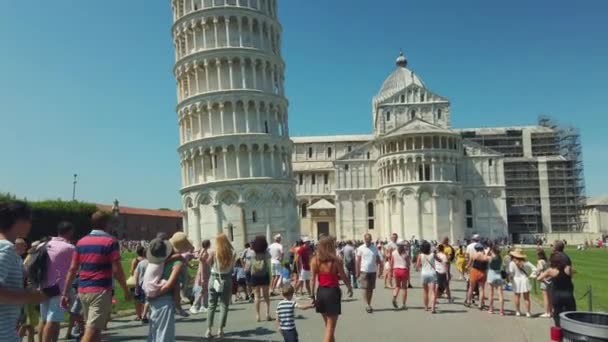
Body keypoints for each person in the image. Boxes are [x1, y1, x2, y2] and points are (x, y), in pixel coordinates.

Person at [62, 211, 131, 342]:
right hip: (100, 290)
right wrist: (126, 289)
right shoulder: (110, 242)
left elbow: (72, 269)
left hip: (83, 290)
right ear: (107, 224)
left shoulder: (81, 242)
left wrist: (65, 292)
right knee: (91, 331)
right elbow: (117, 271)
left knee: (96, 332)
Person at [0, 201, 50, 342]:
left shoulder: (8, 249)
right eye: (29, 220)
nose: (30, 224)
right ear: (18, 221)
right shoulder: (6, 248)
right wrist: (31, 297)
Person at [145, 233, 191, 342]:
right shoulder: (177, 263)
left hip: (154, 300)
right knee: (164, 336)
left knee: (154, 335)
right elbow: (170, 284)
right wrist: (155, 295)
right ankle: (178, 307)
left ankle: (178, 306)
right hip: (164, 299)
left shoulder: (159, 260)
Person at [39, 221, 76, 342]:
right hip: (58, 287)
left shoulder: (45, 244)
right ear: (69, 232)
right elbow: (76, 267)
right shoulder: (69, 248)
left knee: (45, 319)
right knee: (53, 321)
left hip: (42, 285)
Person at [311, 235, 353, 342]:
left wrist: (312, 294)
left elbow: (312, 280)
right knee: (330, 327)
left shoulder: (315, 260)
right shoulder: (336, 260)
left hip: (320, 292)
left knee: (328, 326)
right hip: (332, 292)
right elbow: (343, 276)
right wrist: (349, 287)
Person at [205, 234, 235, 338]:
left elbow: (208, 263)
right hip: (226, 279)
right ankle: (220, 329)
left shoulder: (214, 252)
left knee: (211, 305)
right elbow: (232, 267)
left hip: (214, 278)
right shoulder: (232, 253)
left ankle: (208, 329)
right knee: (224, 305)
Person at [537, 252, 575, 327]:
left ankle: (558, 328)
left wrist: (547, 279)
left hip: (557, 295)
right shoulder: (567, 268)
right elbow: (571, 275)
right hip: (568, 294)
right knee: (571, 313)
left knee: (557, 314)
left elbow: (539, 278)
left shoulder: (550, 270)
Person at [356, 233, 383, 313]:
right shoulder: (360, 248)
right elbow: (358, 261)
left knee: (370, 289)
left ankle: (369, 303)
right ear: (364, 239)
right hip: (363, 271)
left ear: (371, 239)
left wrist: (380, 271)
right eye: (367, 239)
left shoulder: (375, 248)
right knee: (365, 288)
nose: (368, 240)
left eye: (369, 239)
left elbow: (378, 260)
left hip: (373, 271)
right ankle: (367, 304)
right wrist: (357, 271)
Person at [248, 235, 272, 322]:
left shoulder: (252, 252)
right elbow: (269, 260)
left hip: (255, 275)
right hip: (264, 274)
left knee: (257, 296)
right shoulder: (266, 252)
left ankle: (258, 315)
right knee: (266, 296)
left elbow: (249, 263)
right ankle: (267, 314)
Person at [508, 248, 536, 317]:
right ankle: (528, 312)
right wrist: (531, 275)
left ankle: (517, 311)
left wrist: (510, 279)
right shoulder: (526, 263)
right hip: (524, 279)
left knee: (517, 296)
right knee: (526, 297)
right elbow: (535, 269)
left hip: (516, 280)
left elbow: (511, 273)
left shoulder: (512, 263)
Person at [465, 243, 491, 310]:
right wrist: (487, 253)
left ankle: (468, 301)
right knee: (481, 289)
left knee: (471, 287)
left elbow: (469, 265)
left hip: (474, 271)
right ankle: (480, 304)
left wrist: (467, 268)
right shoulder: (485, 257)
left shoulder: (474, 255)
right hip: (482, 272)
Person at [415, 241, 437, 313]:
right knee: (432, 292)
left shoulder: (420, 255)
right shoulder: (433, 254)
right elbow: (440, 260)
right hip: (432, 273)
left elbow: (417, 267)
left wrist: (420, 266)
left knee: (425, 291)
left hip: (424, 274)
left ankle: (426, 307)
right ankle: (433, 308)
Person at [190, 239, 211, 314]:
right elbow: (202, 265)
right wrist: (202, 277)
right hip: (203, 273)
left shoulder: (202, 251)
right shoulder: (204, 253)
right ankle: (194, 306)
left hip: (204, 272)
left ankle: (204, 306)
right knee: (201, 290)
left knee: (205, 290)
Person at [390, 240, 411, 310]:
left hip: (396, 270)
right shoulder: (406, 253)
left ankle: (394, 297)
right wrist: (408, 272)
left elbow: (392, 262)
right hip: (403, 270)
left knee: (397, 286)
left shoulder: (394, 252)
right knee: (404, 288)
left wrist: (391, 271)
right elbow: (408, 264)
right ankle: (403, 304)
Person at [487, 244, 505, 315]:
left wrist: (489, 252)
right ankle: (501, 310)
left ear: (492, 250)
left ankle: (491, 308)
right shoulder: (500, 257)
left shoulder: (490, 258)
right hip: (498, 273)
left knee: (491, 293)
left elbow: (486, 256)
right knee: (500, 293)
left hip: (491, 274)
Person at [130, 245, 146, 321]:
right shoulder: (147, 260)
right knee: (144, 299)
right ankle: (144, 313)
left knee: (137, 300)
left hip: (136, 281)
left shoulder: (135, 260)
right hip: (144, 281)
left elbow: (132, 271)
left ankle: (138, 315)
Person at [536, 249, 552, 318]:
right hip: (549, 279)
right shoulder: (547, 261)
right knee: (550, 297)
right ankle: (551, 311)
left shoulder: (540, 261)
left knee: (545, 297)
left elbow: (540, 269)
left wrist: (536, 273)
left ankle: (547, 312)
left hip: (544, 279)